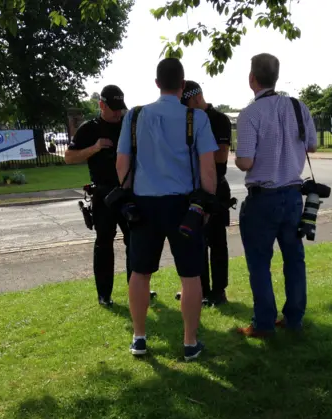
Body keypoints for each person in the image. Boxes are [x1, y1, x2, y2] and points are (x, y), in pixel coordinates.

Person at [116, 58, 218, 360]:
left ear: (157, 83)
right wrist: (206, 204)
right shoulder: (196, 118)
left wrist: (127, 199)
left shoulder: (134, 117)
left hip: (144, 204)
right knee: (190, 275)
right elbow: (208, 168)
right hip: (184, 206)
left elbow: (122, 164)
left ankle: (139, 337)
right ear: (183, 85)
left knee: (140, 273)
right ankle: (189, 343)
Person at [235, 53, 317, 338]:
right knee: (294, 258)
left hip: (263, 198)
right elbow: (313, 146)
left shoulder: (250, 114)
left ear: (252, 79)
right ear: (276, 77)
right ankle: (294, 318)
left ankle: (264, 323)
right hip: (294, 195)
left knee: (259, 262)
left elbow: (245, 162)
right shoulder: (298, 107)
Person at [65, 85, 155, 307]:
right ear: (101, 105)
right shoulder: (90, 129)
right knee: (104, 243)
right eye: (113, 108)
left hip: (129, 192)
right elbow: (68, 157)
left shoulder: (129, 126)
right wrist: (94, 148)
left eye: (120, 108)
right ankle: (104, 294)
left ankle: (137, 287)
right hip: (103, 193)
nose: (117, 113)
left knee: (134, 242)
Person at [179, 80, 233, 306]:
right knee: (194, 242)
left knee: (217, 242)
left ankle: (218, 290)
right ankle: (199, 289)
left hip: (216, 187)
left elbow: (221, 156)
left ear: (196, 97)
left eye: (187, 103)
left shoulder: (219, 119)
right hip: (192, 189)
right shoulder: (186, 120)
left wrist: (197, 154)